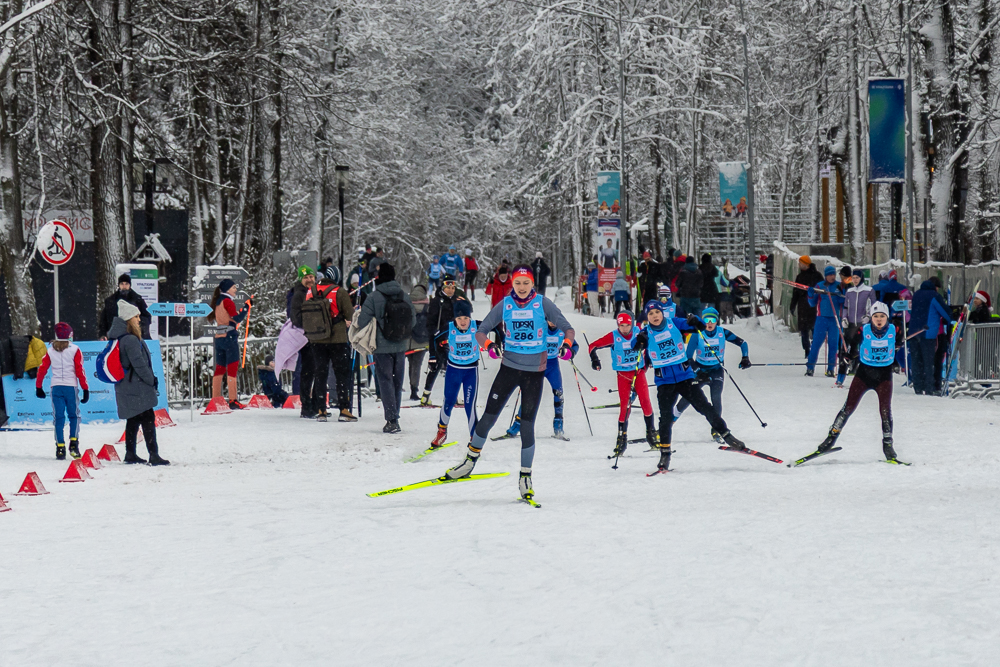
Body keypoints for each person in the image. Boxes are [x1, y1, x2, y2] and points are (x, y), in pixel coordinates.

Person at [443, 264, 575, 503]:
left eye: (526, 283)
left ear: (532, 284)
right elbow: (481, 331)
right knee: (488, 418)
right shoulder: (505, 304)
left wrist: (566, 345)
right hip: (509, 369)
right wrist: (489, 345)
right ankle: (469, 462)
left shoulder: (543, 304)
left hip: (534, 373)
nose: (522, 287)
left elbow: (568, 329)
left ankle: (525, 477)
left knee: (527, 426)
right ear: (512, 284)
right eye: (517, 283)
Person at [633, 300, 747, 472]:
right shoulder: (646, 332)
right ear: (647, 317)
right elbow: (635, 348)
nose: (655, 316)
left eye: (657, 312)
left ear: (662, 313)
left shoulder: (674, 323)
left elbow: (699, 327)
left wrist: (695, 320)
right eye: (651, 314)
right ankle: (665, 454)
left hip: (685, 377)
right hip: (664, 381)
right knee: (665, 418)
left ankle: (727, 435)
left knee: (705, 407)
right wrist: (639, 342)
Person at [810, 302, 906, 463]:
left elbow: (899, 342)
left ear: (887, 318)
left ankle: (888, 445)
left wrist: (899, 345)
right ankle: (830, 439)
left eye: (882, 316)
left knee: (885, 410)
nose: (879, 320)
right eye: (876, 316)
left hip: (884, 375)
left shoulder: (894, 329)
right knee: (848, 407)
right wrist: (848, 356)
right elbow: (853, 347)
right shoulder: (864, 330)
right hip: (864, 374)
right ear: (871, 318)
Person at [672, 307, 751, 442]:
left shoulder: (722, 332)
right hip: (700, 369)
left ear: (717, 321)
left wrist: (745, 358)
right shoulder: (697, 334)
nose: (709, 323)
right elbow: (688, 358)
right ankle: (669, 422)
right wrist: (698, 371)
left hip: (716, 370)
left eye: (712, 320)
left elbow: (743, 343)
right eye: (706, 320)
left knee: (716, 398)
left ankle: (716, 430)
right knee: (688, 397)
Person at [107, 300, 168, 465]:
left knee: (133, 419)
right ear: (129, 319)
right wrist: (151, 380)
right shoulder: (130, 340)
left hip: (126, 385)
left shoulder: (118, 338)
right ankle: (153, 455)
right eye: (136, 316)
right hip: (137, 386)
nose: (139, 320)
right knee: (148, 418)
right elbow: (139, 364)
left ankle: (130, 453)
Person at [357, 263, 416, 433]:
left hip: (381, 346)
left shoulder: (373, 297)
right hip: (401, 345)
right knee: (397, 381)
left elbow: (362, 322)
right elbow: (412, 320)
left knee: (385, 381)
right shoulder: (404, 295)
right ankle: (395, 415)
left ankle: (392, 419)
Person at [588, 311, 657, 454]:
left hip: (638, 372)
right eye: (622, 326)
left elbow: (652, 342)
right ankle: (621, 440)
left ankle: (651, 435)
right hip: (623, 375)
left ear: (632, 324)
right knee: (625, 407)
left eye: (627, 325)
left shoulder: (638, 332)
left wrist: (649, 358)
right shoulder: (613, 336)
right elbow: (593, 346)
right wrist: (595, 359)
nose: (625, 329)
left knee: (645, 402)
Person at [504, 318, 579, 440]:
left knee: (558, 393)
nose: (553, 322)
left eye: (555, 319)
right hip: (537, 364)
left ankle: (558, 428)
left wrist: (569, 352)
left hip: (552, 366)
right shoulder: (539, 328)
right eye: (550, 320)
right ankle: (516, 427)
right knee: (529, 395)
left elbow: (574, 345)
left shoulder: (562, 331)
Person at [303, 267, 357, 422]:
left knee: (320, 373)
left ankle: (321, 409)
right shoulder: (339, 292)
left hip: (317, 339)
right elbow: (350, 314)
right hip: (337, 339)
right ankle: (344, 409)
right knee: (341, 374)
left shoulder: (311, 291)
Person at [429, 299, 481, 448]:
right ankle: (442, 431)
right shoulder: (449, 327)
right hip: (454, 370)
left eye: (466, 318)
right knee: (449, 401)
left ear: (470, 317)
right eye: (459, 318)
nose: (463, 322)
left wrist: (501, 342)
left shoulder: (477, 326)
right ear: (455, 318)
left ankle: (474, 437)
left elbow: (496, 327)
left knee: (470, 405)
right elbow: (434, 338)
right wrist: (434, 357)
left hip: (471, 371)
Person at [35, 322, 89, 460]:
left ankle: (60, 447)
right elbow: (79, 370)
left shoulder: (50, 350)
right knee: (74, 416)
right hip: (70, 387)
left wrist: (38, 386)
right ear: (70, 335)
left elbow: (42, 369)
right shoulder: (75, 349)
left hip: (56, 387)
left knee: (58, 417)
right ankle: (74, 444)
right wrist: (85, 388)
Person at [420, 278, 468, 405]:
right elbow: (430, 322)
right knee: (435, 367)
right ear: (443, 288)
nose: (451, 290)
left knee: (455, 368)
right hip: (439, 339)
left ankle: (454, 396)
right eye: (448, 288)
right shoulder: (437, 301)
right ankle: (426, 395)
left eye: (453, 288)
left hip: (455, 339)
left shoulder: (457, 300)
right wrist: (435, 333)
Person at [207, 279, 251, 410]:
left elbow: (227, 317)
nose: (236, 290)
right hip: (229, 337)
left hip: (219, 337)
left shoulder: (218, 301)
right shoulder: (228, 301)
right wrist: (246, 308)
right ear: (227, 289)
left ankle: (216, 399)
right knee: (232, 367)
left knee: (220, 368)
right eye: (233, 287)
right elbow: (237, 318)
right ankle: (233, 400)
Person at [836, 268, 877, 386]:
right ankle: (840, 377)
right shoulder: (850, 291)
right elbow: (846, 307)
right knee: (845, 350)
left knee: (861, 350)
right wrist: (844, 318)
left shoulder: (869, 290)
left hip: (862, 325)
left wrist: (869, 317)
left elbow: (874, 306)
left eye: (857, 278)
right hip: (850, 325)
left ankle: (864, 377)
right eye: (853, 278)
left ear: (861, 278)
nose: (855, 280)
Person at [805, 266, 846, 377]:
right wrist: (810, 295)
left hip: (834, 319)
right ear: (826, 276)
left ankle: (831, 368)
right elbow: (812, 303)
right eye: (830, 275)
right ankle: (810, 367)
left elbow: (843, 302)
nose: (832, 277)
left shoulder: (839, 285)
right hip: (821, 319)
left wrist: (842, 295)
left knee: (833, 345)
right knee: (816, 344)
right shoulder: (820, 286)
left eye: (833, 274)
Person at [290, 266, 319, 418]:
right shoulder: (299, 295)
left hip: (318, 337)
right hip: (306, 339)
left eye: (311, 277)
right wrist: (312, 323)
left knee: (317, 371)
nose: (309, 280)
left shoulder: (316, 291)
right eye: (306, 277)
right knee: (308, 372)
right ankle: (307, 406)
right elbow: (295, 317)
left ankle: (316, 405)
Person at [99, 273, 151, 339]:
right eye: (122, 284)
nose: (124, 286)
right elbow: (104, 320)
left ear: (130, 285)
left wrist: (140, 331)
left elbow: (146, 317)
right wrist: (103, 334)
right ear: (119, 285)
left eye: (126, 284)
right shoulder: (111, 301)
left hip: (133, 335)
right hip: (115, 335)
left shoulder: (138, 300)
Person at [790, 256, 823, 358]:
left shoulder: (817, 276)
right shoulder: (799, 277)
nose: (799, 265)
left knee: (815, 328)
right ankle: (807, 349)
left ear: (806, 264)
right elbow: (795, 292)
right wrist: (793, 305)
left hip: (814, 306)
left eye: (801, 263)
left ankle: (814, 347)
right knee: (803, 330)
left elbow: (822, 290)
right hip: (802, 306)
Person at [408, 284, 430, 401]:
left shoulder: (407, 303)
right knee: (417, 365)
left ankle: (407, 387)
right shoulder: (427, 305)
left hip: (408, 340)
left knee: (410, 364)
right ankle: (414, 390)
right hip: (421, 340)